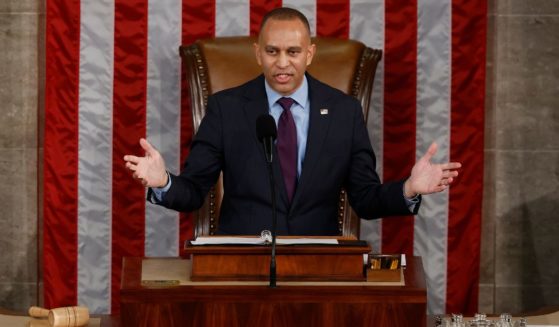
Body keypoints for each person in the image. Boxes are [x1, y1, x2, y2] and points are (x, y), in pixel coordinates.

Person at [123, 7, 461, 235]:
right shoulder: (226, 109)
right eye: (272, 52)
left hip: (317, 265)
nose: (282, 63)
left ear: (310, 53)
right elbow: (195, 191)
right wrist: (163, 181)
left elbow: (365, 198)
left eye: (293, 52)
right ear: (257, 52)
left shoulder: (344, 111)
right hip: (241, 264)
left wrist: (409, 188)